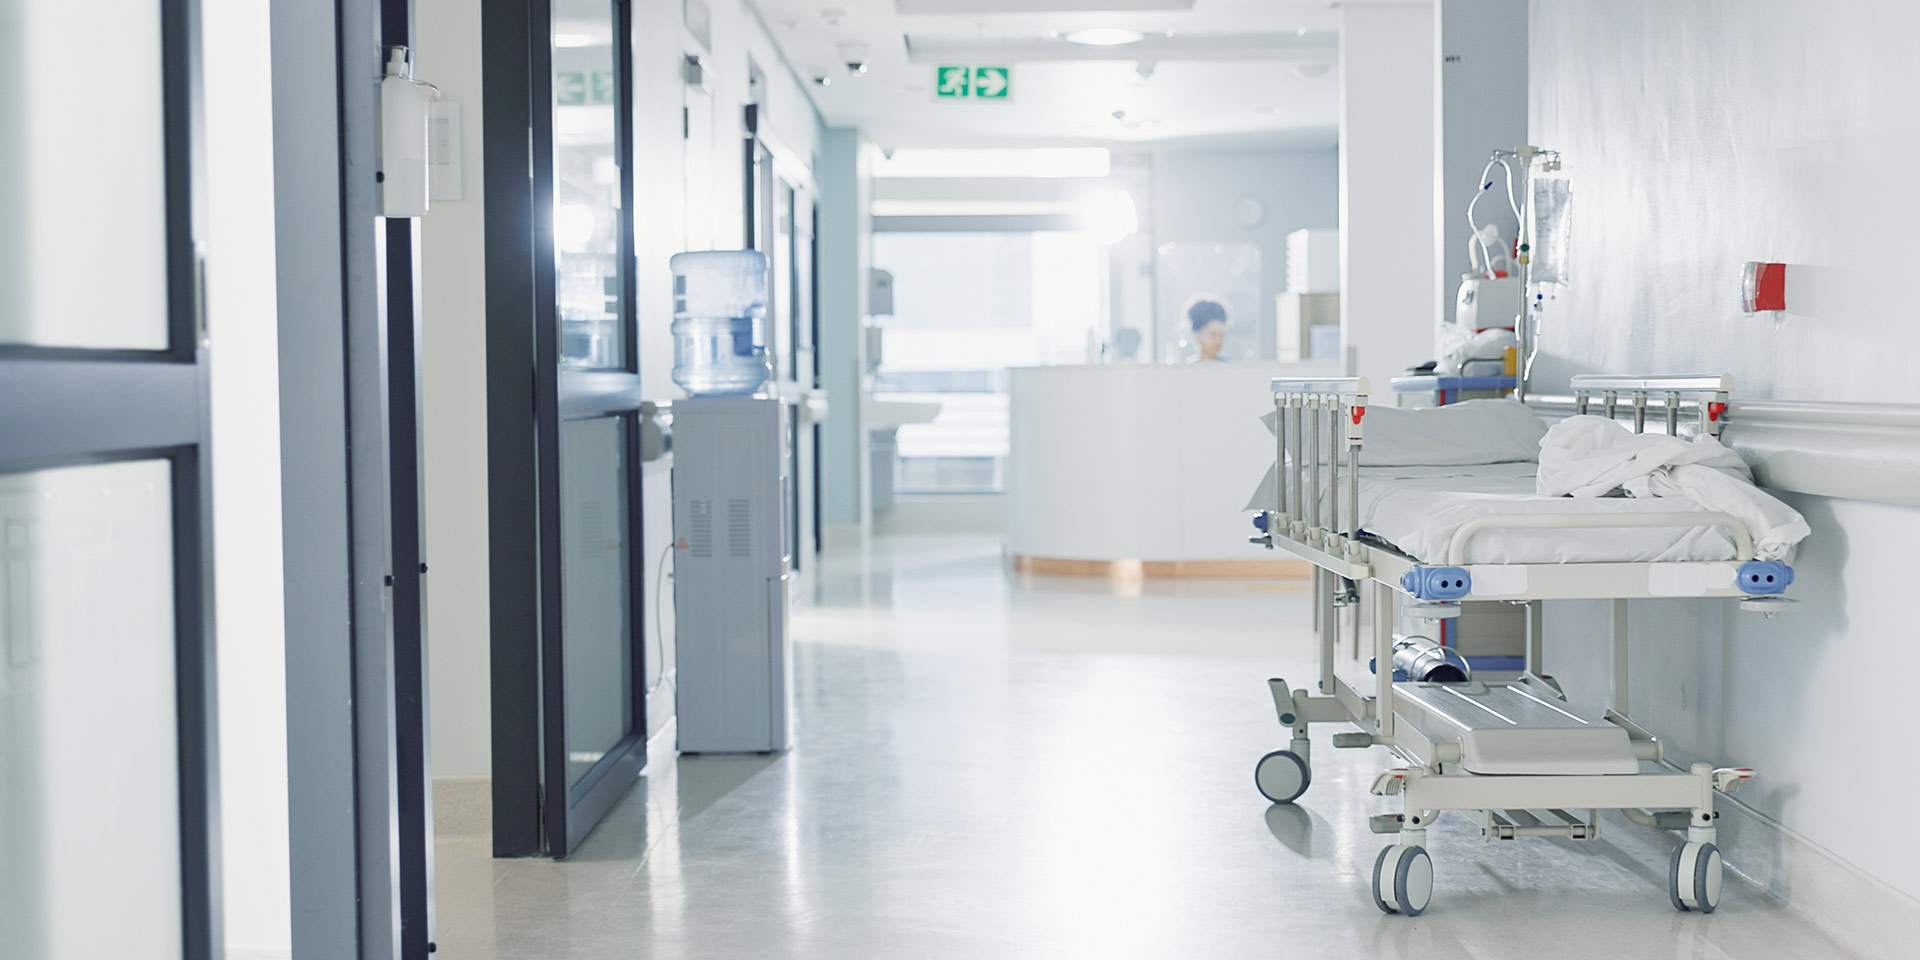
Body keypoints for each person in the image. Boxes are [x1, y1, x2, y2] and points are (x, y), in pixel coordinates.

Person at [1186, 297, 1230, 362]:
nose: (1219, 341)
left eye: (1221, 335)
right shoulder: (1189, 367)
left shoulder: (1229, 366)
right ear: (1198, 334)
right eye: (1213, 335)